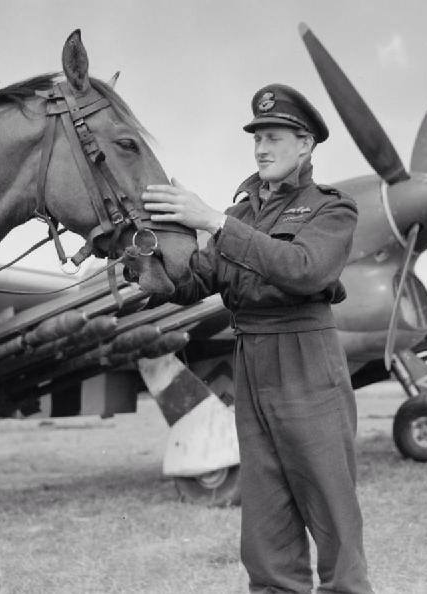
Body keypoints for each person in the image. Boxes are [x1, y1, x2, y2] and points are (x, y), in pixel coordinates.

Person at [140, 84, 374, 594]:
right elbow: (194, 282)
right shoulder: (243, 214)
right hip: (251, 361)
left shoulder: (331, 209)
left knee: (332, 515)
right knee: (266, 523)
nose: (261, 149)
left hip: (307, 360)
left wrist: (214, 222)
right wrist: (141, 255)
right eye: (257, 139)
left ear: (305, 144)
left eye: (273, 137)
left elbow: (305, 270)